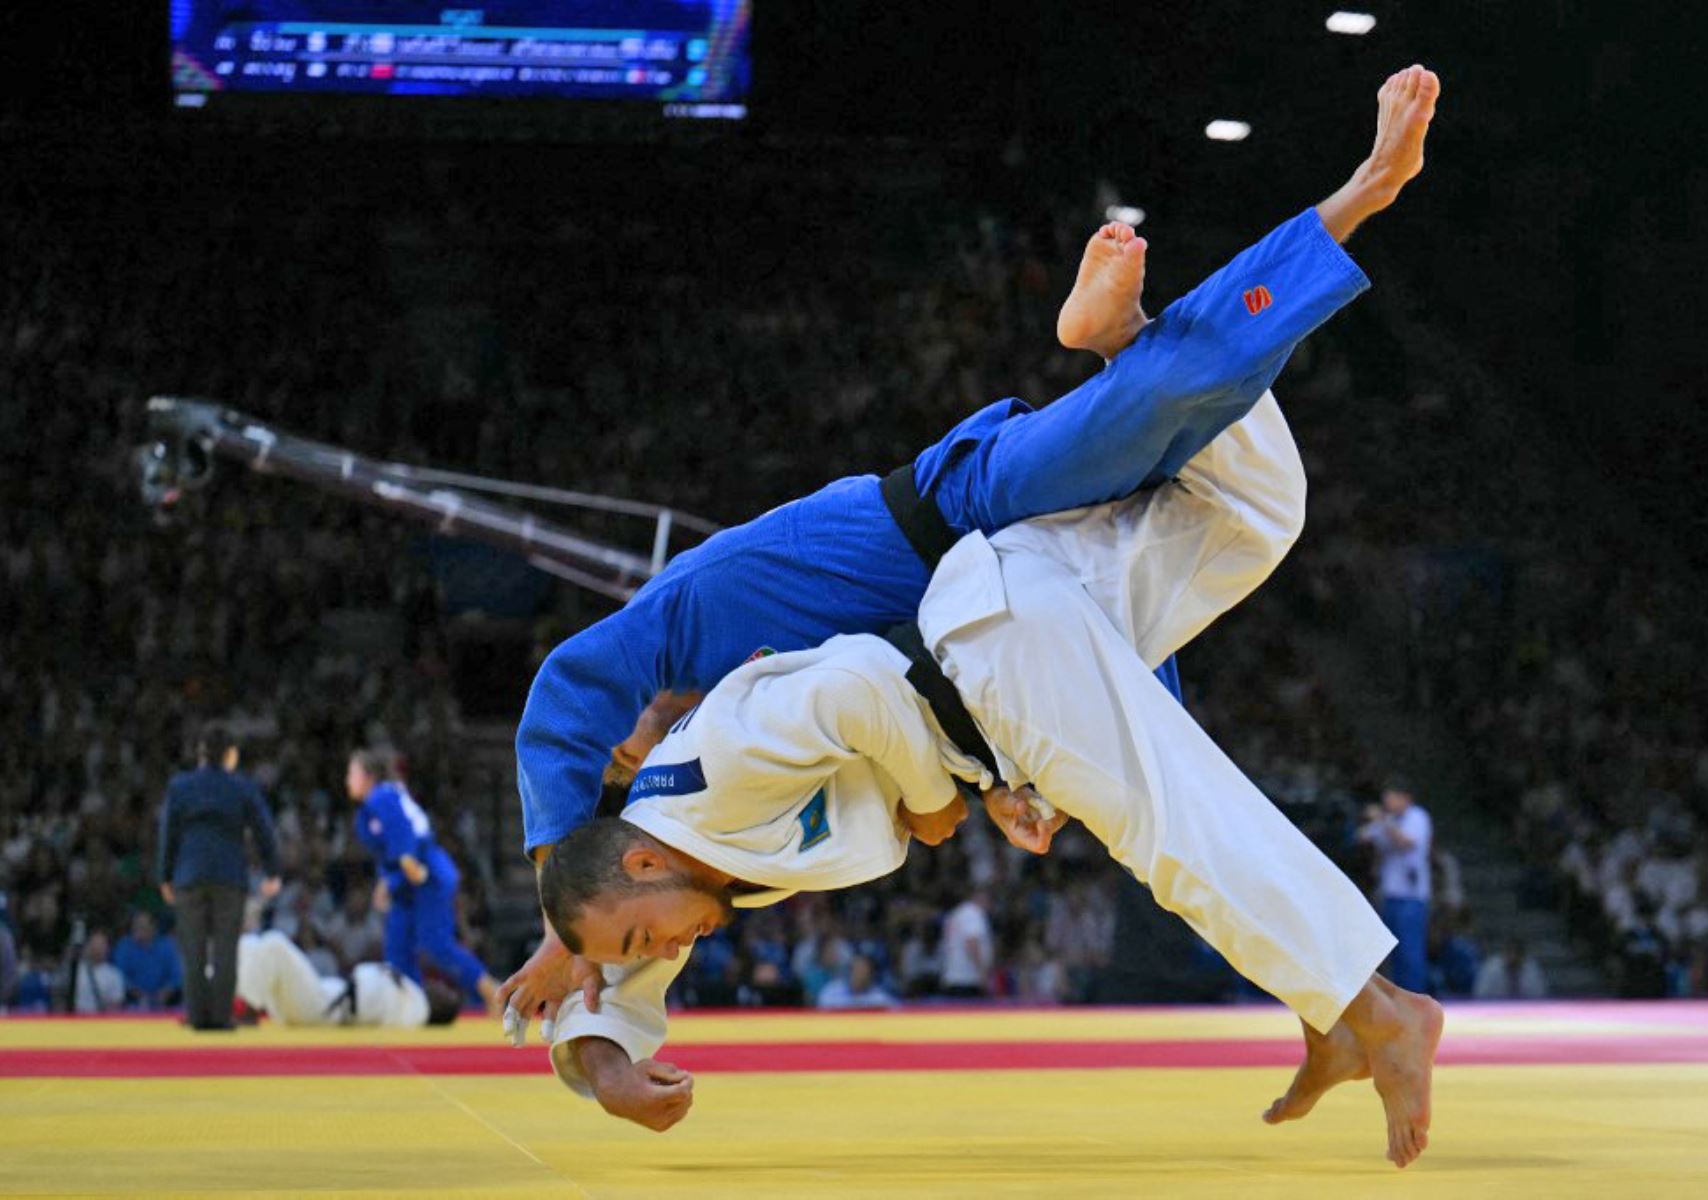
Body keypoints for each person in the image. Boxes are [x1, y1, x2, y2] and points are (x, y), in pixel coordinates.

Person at [503, 63, 1445, 1026]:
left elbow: (569, 690)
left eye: (620, 749)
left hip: (963, 507)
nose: (634, 749)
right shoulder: (739, 754)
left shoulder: (678, 618)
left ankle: (1362, 190)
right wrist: (1009, 782)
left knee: (1161, 405)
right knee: (1153, 773)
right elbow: (913, 711)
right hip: (1015, 610)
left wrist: (553, 894)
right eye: (629, 768)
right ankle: (1122, 329)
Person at [346, 748, 502, 1013]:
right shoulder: (373, 806)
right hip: (407, 882)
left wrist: (397, 873)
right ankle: (412, 1007)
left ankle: (491, 990)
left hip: (425, 874)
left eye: (352, 773)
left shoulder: (382, 796)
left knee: (436, 944)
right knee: (397, 948)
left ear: (368, 777)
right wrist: (391, 880)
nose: (348, 780)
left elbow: (405, 837)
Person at [158, 726, 281, 1030]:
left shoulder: (180, 787)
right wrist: (273, 869)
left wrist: (165, 875)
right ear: (230, 754)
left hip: (189, 873)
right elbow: (264, 830)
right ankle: (221, 1017)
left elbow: (168, 833)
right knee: (226, 948)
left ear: (200, 754)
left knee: (193, 947)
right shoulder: (242, 787)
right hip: (229, 875)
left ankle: (198, 1016)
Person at [236, 929, 462, 1028]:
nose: (441, 985)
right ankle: (218, 995)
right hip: (325, 998)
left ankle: (249, 1007)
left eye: (446, 992)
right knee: (250, 944)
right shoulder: (411, 995)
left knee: (274, 944)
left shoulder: (417, 1009)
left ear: (440, 1007)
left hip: (324, 1008)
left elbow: (383, 1014)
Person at [1357, 778, 1433, 993]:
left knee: (1411, 953)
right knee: (1393, 955)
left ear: (1405, 798)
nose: (1387, 802)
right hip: (1390, 896)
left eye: (1391, 797)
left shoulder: (1417, 817)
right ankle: (1398, 999)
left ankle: (1416, 997)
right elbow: (1362, 837)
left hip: (1411, 897)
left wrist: (1382, 820)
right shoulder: (1387, 820)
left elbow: (1407, 842)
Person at [113, 910, 183, 1010]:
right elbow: (118, 976)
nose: (137, 929)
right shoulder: (124, 946)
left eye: (141, 926)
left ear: (154, 928)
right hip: (132, 1001)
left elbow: (178, 975)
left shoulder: (168, 945)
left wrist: (166, 992)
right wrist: (137, 994)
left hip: (166, 1001)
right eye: (135, 926)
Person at [937, 889, 994, 998]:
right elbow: (972, 943)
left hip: (953, 978)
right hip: (968, 980)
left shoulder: (956, 913)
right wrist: (982, 974)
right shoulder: (973, 913)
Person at [1472, 938, 1549, 1000]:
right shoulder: (1491, 968)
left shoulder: (1532, 969)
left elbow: (1539, 997)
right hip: (1494, 1011)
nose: (1513, 958)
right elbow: (1480, 995)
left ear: (1523, 956)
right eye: (1510, 953)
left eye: (1517, 954)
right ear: (1504, 953)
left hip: (1524, 1012)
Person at [816, 954, 899, 1010]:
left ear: (871, 975)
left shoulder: (879, 998)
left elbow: (899, 1010)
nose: (858, 974)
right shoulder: (831, 991)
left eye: (863, 970)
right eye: (856, 969)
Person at [70, 931, 126, 1014]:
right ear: (87, 946)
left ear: (108, 949)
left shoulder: (114, 975)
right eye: (94, 944)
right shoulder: (74, 969)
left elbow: (117, 1005)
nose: (97, 949)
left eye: (101, 946)